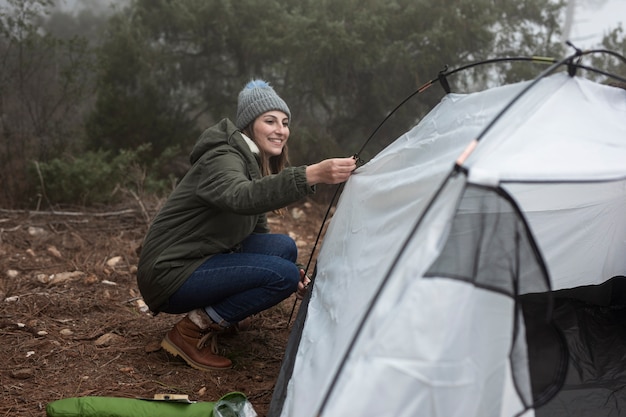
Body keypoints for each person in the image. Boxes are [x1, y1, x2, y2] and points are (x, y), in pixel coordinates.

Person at [136, 79, 356, 371]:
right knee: (282, 276)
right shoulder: (223, 156)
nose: (281, 130)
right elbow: (240, 197)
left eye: (285, 122)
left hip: (200, 258)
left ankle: (222, 317)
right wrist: (310, 175)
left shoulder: (250, 161)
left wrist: (299, 273)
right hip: (171, 272)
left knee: (284, 249)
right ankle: (189, 332)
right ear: (250, 124)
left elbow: (255, 229)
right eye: (270, 121)